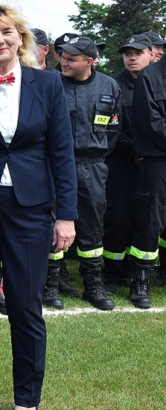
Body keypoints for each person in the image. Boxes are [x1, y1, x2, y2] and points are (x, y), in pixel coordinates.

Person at [0, 4, 77, 410]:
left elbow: (61, 154)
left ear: (21, 38)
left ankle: (27, 400)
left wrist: (65, 216)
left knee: (25, 308)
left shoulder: (47, 85)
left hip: (31, 210)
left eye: (7, 32)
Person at [58, 36, 121, 310]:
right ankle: (50, 286)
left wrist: (98, 155)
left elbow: (114, 128)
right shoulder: (51, 83)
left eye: (71, 59)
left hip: (93, 165)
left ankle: (93, 286)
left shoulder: (109, 85)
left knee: (92, 227)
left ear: (90, 61)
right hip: (58, 165)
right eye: (62, 56)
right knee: (54, 224)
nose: (63, 61)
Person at [103, 34, 153, 294]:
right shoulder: (113, 84)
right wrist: (134, 150)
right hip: (122, 160)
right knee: (118, 216)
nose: (131, 58)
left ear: (151, 54)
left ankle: (139, 271)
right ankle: (112, 274)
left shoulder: (157, 83)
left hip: (152, 161)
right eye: (126, 53)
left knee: (146, 218)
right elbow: (109, 126)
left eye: (137, 53)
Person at [127, 47, 166, 308]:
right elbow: (152, 123)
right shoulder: (150, 77)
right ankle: (141, 280)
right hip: (158, 161)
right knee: (151, 221)